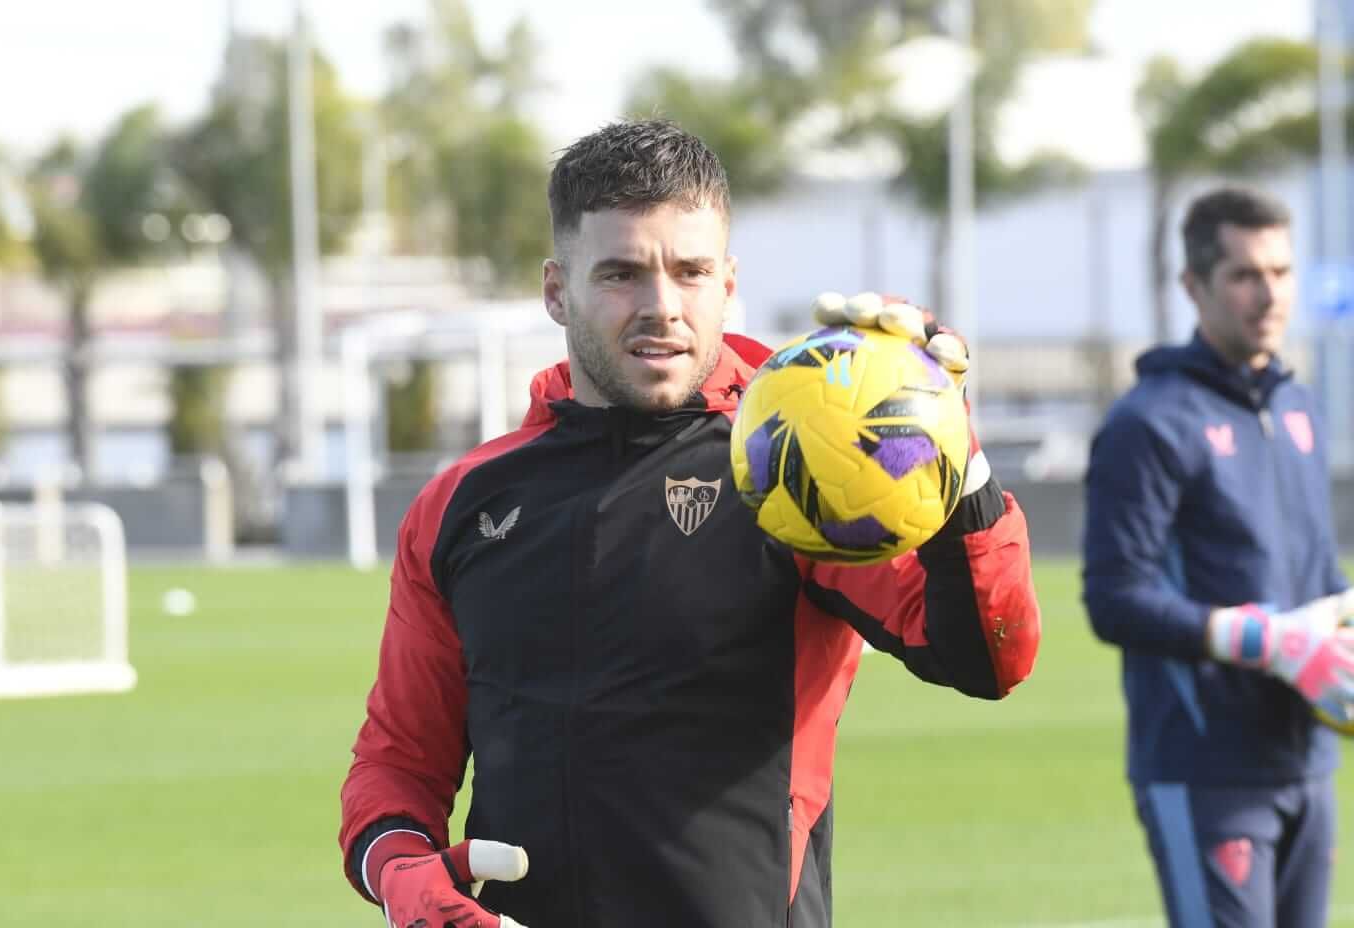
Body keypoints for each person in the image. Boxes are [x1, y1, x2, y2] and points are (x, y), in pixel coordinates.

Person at [339, 119, 1042, 928]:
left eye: (691, 270)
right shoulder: (462, 505)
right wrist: (402, 876)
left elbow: (988, 658)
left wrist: (945, 445)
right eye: (621, 274)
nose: (662, 307)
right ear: (556, 290)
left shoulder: (795, 465)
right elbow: (396, 767)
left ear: (728, 281)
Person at [1083, 185, 1354, 928]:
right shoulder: (1148, 423)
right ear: (1193, 286)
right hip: (1205, 766)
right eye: (1244, 275)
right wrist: (1267, 639)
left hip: (1306, 764)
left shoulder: (1300, 409)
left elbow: (1318, 578)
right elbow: (1113, 598)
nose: (1268, 294)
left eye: (1281, 271)